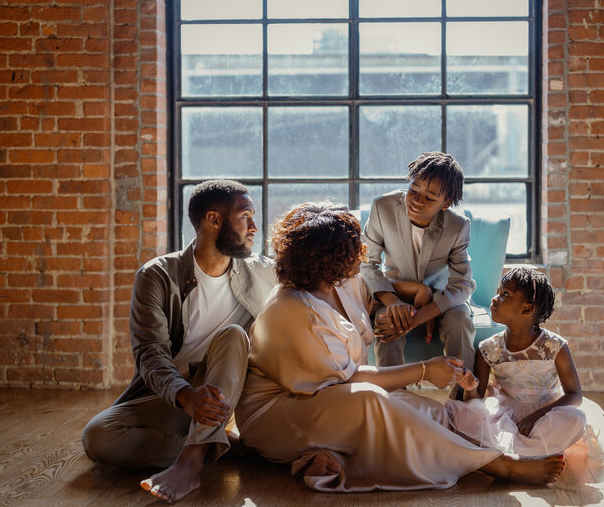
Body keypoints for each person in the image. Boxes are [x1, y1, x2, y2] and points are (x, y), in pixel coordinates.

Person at [235, 202, 566, 492]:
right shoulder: (295, 311)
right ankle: (496, 465)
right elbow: (348, 382)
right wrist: (424, 369)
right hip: (277, 411)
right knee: (374, 402)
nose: (362, 254)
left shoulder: (338, 283)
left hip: (323, 397)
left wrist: (415, 294)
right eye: (353, 250)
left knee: (420, 408)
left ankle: (468, 445)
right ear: (329, 260)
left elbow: (373, 287)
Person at [81, 180, 276, 504]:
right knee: (98, 437)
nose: (254, 227)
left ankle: (190, 461)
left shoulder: (262, 272)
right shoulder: (157, 275)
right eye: (245, 217)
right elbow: (149, 352)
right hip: (176, 396)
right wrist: (184, 394)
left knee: (232, 335)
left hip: (226, 395)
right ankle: (224, 446)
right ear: (213, 219)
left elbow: (314, 280)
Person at [447, 267, 604, 462]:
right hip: (505, 416)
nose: (495, 298)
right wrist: (470, 388)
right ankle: (530, 453)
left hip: (547, 416)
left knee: (575, 420)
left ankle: (515, 452)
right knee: (465, 415)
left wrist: (537, 415)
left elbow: (575, 395)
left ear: (528, 308)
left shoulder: (554, 346)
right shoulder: (488, 349)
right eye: (498, 292)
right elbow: (476, 400)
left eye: (505, 294)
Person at [361, 151, 476, 382]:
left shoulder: (458, 226)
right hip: (396, 293)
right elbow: (365, 263)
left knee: (461, 321)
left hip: (440, 301)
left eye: (430, 198)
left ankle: (463, 400)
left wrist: (420, 316)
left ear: (446, 203)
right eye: (413, 190)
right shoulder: (382, 207)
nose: (417, 200)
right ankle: (392, 403)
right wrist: (392, 301)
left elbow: (463, 284)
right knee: (387, 323)